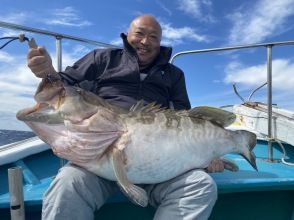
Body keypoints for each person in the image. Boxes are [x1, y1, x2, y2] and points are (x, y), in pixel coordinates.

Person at [27, 14, 225, 220]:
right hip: (98, 156)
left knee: (201, 185)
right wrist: (48, 72)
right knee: (67, 184)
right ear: (127, 35)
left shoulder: (174, 74)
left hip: (162, 165)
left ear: (160, 42)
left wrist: (208, 151)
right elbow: (64, 87)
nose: (145, 41)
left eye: (154, 37)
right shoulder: (101, 59)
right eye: (139, 34)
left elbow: (186, 117)